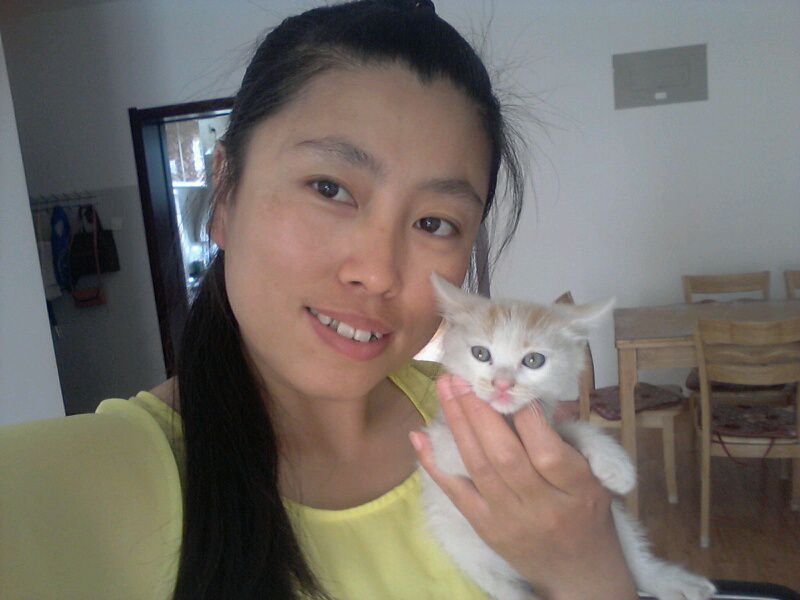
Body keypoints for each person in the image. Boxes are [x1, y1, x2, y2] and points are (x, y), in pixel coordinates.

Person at [0, 1, 638, 598]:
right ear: (225, 194)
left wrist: (591, 565)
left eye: (435, 222)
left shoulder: (494, 426)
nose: (378, 272)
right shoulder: (65, 489)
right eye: (330, 188)